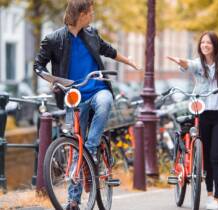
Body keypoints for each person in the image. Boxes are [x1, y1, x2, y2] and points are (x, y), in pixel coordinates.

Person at [33, 0, 140, 209]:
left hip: (97, 89)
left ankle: (92, 146)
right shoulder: (54, 39)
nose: (93, 15)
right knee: (75, 148)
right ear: (81, 14)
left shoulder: (91, 34)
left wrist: (130, 61)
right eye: (91, 12)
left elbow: (109, 51)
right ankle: (74, 200)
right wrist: (55, 81)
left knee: (106, 101)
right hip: (74, 97)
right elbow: (38, 66)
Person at [167, 31, 218, 210]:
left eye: (209, 43)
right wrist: (180, 61)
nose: (205, 45)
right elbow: (187, 64)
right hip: (202, 115)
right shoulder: (198, 64)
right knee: (205, 158)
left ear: (215, 46)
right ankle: (209, 195)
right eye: (202, 42)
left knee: (216, 157)